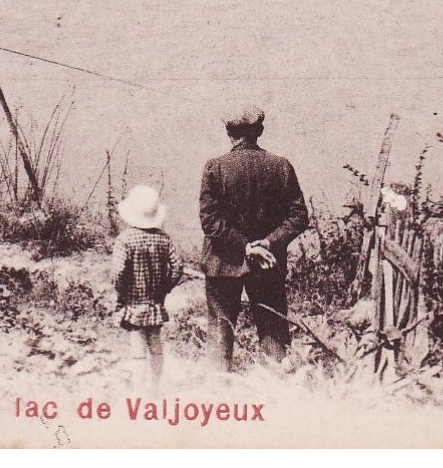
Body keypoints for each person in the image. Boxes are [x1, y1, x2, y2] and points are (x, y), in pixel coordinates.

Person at [198, 106, 310, 371]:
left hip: (223, 264)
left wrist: (244, 246)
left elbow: (210, 222)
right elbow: (298, 216)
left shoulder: (215, 168)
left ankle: (218, 392)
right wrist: (267, 243)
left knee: (220, 332)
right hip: (267, 264)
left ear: (229, 133)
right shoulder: (281, 166)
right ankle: (278, 388)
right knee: (273, 331)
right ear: (259, 131)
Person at [111, 185, 184, 380]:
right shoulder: (164, 239)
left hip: (134, 302)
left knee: (137, 351)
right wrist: (165, 287)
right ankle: (155, 385)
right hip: (155, 302)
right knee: (155, 346)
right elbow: (178, 266)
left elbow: (118, 273)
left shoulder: (125, 239)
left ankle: (139, 390)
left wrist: (123, 291)